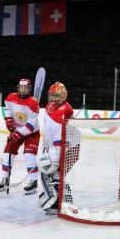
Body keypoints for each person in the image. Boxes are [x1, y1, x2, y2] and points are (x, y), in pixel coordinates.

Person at [0, 78, 40, 194]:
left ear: (29, 89)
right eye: (21, 87)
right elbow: (8, 111)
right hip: (16, 131)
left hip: (32, 133)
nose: (23, 90)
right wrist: (9, 120)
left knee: (29, 155)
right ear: (18, 88)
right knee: (7, 153)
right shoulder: (10, 97)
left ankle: (33, 181)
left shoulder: (34, 102)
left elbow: (30, 126)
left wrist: (17, 134)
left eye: (26, 88)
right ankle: (5, 178)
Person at [37, 82, 75, 215]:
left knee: (53, 173)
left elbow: (59, 139)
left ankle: (61, 202)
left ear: (64, 96)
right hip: (59, 147)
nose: (53, 99)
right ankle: (62, 201)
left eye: (57, 96)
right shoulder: (50, 107)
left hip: (67, 148)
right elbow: (49, 132)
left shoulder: (62, 111)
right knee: (54, 175)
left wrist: (56, 161)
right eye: (52, 96)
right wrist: (46, 148)